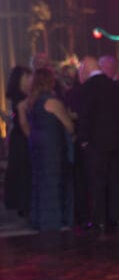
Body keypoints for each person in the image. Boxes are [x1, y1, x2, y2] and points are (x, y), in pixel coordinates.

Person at [78, 55, 119, 231]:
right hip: (117, 141)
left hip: (96, 142)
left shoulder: (87, 88)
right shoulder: (116, 86)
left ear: (84, 69)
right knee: (116, 181)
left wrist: (84, 140)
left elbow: (84, 116)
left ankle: (99, 219)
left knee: (98, 182)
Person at [26, 67, 75, 231]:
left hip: (36, 145)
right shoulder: (51, 101)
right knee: (53, 182)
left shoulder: (31, 101)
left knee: (40, 182)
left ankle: (39, 218)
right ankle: (52, 220)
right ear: (50, 81)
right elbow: (68, 125)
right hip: (51, 147)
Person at [3, 65, 32, 217]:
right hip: (21, 138)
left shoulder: (20, 95)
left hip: (18, 137)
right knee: (23, 170)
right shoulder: (20, 97)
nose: (30, 80)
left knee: (22, 170)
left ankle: (22, 203)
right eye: (27, 77)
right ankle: (23, 204)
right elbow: (21, 121)